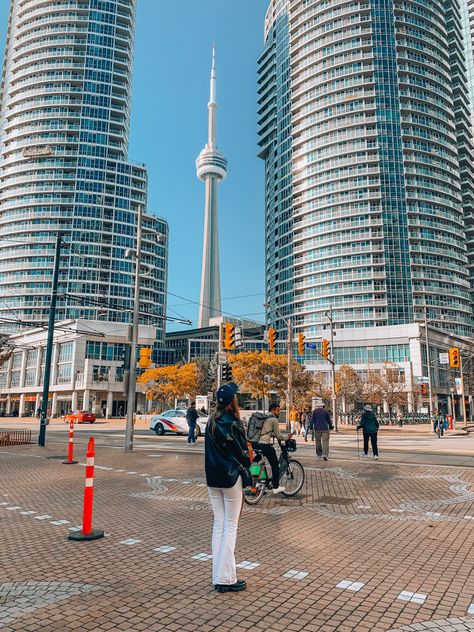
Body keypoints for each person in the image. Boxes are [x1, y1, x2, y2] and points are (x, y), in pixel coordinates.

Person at [205, 382, 251, 593]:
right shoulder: (234, 422)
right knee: (230, 526)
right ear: (233, 401)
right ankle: (225, 578)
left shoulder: (210, 422)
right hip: (231, 478)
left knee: (219, 525)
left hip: (213, 479)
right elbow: (245, 456)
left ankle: (221, 574)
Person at [251, 402, 290, 494]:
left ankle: (258, 483)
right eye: (277, 411)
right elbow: (279, 435)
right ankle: (275, 487)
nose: (279, 412)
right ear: (272, 410)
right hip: (264, 444)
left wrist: (271, 435)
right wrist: (286, 438)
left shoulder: (263, 417)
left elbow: (265, 431)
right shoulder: (273, 419)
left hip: (255, 444)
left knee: (257, 462)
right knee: (275, 465)